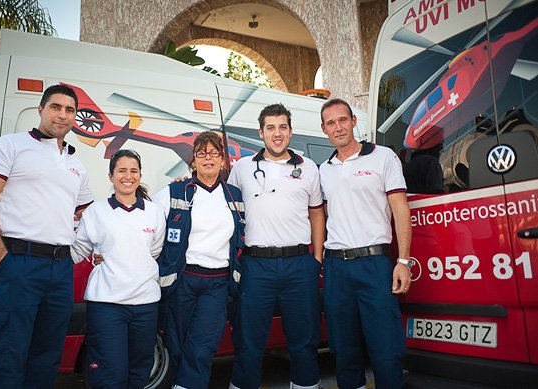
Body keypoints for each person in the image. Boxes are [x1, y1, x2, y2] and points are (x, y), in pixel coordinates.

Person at [0, 84, 94, 388]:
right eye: (55, 107)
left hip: (60, 271)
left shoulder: (76, 165)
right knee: (7, 358)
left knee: (46, 359)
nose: (62, 115)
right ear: (40, 110)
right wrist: (2, 259)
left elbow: (89, 217)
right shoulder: (8, 147)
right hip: (18, 265)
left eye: (69, 110)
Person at [228, 104, 325, 389]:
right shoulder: (242, 168)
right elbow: (228, 205)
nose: (277, 133)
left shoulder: (308, 168)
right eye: (270, 127)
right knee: (248, 339)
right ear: (261, 132)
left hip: (299, 264)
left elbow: (317, 211)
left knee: (304, 339)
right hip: (256, 265)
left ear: (291, 131)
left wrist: (316, 258)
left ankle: (305, 384)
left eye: (283, 127)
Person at [319, 98, 412, 389]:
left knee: (384, 347)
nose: (338, 127)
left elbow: (401, 210)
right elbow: (320, 218)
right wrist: (321, 261)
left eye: (343, 120)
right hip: (336, 267)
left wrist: (403, 262)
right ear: (324, 129)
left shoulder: (383, 157)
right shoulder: (323, 170)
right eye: (331, 123)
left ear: (353, 122)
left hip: (374, 264)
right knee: (343, 349)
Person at [154, 131, 245, 389]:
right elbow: (148, 229)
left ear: (223, 160)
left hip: (217, 283)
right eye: (201, 153)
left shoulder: (234, 196)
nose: (208, 158)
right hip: (182, 281)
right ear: (193, 160)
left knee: (203, 346)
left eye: (214, 153)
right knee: (177, 344)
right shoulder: (174, 192)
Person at [71, 149, 166, 388]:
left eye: (133, 171)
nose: (128, 176)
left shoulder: (154, 213)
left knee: (140, 371)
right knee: (110, 372)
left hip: (145, 304)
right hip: (107, 306)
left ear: (140, 175)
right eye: (121, 170)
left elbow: (153, 252)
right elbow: (77, 250)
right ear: (111, 176)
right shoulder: (95, 212)